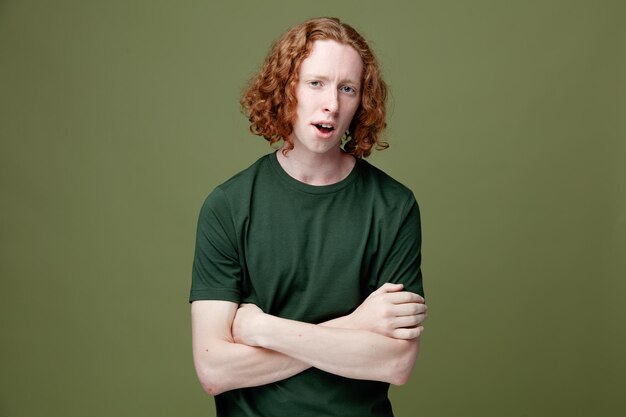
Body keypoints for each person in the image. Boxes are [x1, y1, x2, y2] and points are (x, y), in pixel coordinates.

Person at [190, 17, 427, 417]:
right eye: (315, 83)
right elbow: (214, 369)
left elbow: (396, 364)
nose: (331, 103)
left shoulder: (394, 206)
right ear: (287, 90)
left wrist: (263, 329)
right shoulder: (228, 205)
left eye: (347, 88)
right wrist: (356, 325)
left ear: (361, 103)